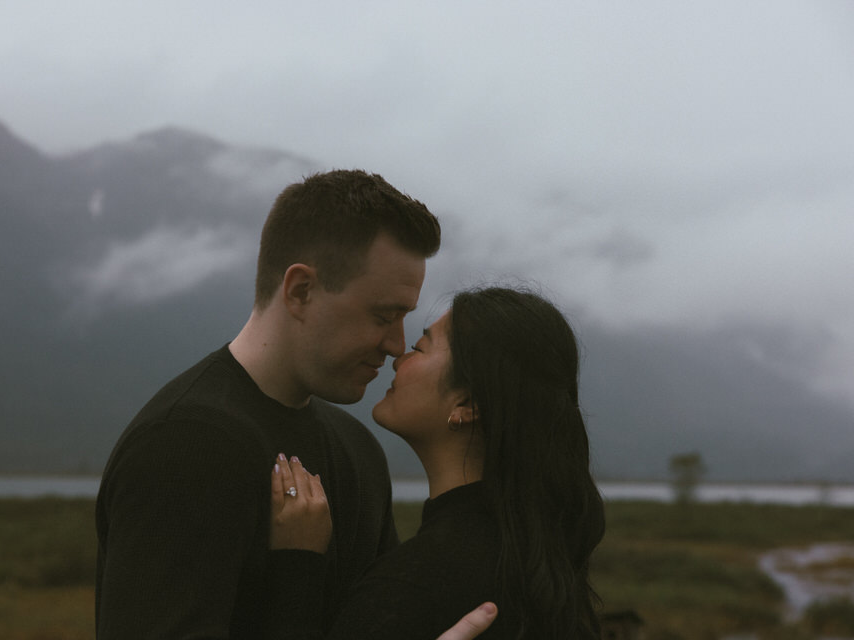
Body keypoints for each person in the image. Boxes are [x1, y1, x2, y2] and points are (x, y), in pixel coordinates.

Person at [95, 169, 495, 640]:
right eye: (383, 315)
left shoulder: (357, 450)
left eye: (404, 318)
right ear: (300, 290)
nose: (396, 345)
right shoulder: (183, 445)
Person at [268, 286, 607, 639]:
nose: (398, 356)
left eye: (419, 347)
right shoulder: (532, 564)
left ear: (467, 404)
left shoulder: (411, 588)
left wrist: (298, 566)